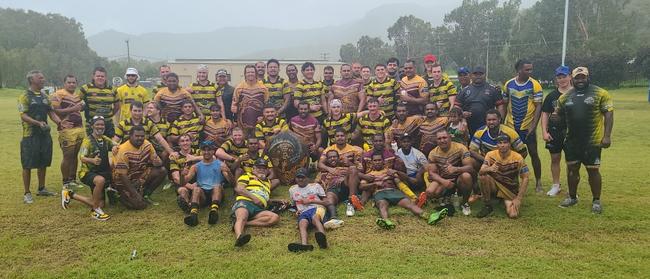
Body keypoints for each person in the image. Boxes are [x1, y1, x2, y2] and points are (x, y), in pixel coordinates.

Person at [556, 67, 613, 214]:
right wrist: (555, 119)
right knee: (572, 170)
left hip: (592, 141)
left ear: (588, 77)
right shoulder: (564, 97)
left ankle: (596, 201)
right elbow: (558, 116)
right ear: (572, 79)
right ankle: (572, 197)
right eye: (577, 78)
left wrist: (606, 136)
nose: (580, 80)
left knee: (593, 170)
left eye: (583, 77)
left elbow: (608, 115)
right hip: (571, 141)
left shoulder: (600, 93)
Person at [362, 152, 447, 229]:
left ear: (383, 161)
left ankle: (429, 217)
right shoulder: (369, 175)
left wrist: (396, 172)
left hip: (393, 191)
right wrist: (373, 184)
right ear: (372, 162)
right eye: (375, 160)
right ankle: (386, 221)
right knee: (382, 205)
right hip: (379, 192)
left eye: (379, 160)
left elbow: (403, 178)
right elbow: (361, 186)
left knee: (409, 204)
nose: (377, 162)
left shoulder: (389, 171)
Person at [19, 70, 62, 203]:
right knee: (27, 164)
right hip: (30, 135)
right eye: (40, 78)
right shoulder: (24, 96)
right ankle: (27, 193)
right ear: (32, 80)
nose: (43, 80)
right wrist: (37, 123)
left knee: (43, 161)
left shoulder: (44, 96)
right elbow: (23, 115)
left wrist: (60, 122)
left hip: (44, 134)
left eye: (43, 77)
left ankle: (41, 188)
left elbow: (51, 112)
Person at [62, 116, 116, 220]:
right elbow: (82, 157)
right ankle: (95, 211)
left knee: (101, 204)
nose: (100, 127)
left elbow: (116, 145)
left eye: (102, 125)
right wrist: (92, 161)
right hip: (88, 173)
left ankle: (70, 194)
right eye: (97, 124)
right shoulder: (88, 141)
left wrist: (114, 147)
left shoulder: (105, 139)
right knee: (100, 181)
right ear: (92, 126)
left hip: (101, 172)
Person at [503, 59, 544, 193]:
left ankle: (538, 182)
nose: (530, 72)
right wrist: (501, 125)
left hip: (527, 127)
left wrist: (533, 127)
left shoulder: (535, 85)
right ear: (519, 70)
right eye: (527, 69)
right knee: (512, 155)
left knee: (533, 153)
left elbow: (539, 107)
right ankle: (512, 181)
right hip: (511, 126)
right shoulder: (508, 84)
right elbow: (504, 105)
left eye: (531, 69)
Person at [112, 125, 166, 209]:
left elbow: (158, 163)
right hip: (123, 181)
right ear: (130, 136)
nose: (140, 138)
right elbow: (122, 176)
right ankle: (118, 194)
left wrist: (158, 162)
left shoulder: (147, 144)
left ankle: (145, 195)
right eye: (137, 136)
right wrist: (135, 194)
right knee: (139, 206)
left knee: (162, 170)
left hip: (139, 175)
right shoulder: (123, 150)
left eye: (142, 136)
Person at [422, 130, 474, 216]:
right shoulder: (433, 153)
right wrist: (443, 181)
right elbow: (431, 174)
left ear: (450, 137)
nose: (442, 140)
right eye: (439, 138)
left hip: (459, 177)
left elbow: (470, 168)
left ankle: (465, 203)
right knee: (430, 191)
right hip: (444, 178)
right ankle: (446, 196)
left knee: (466, 176)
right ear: (436, 140)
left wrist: (455, 169)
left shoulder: (460, 148)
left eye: (444, 137)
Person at [477, 134, 530, 218]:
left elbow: (525, 178)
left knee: (513, 215)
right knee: (483, 176)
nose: (502, 145)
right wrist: (489, 169)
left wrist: (519, 199)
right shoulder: (490, 155)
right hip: (495, 185)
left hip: (509, 189)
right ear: (496, 144)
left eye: (505, 143)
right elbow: (481, 172)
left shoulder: (518, 157)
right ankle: (487, 205)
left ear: (509, 144)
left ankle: (502, 199)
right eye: (500, 143)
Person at [231, 158, 281, 247]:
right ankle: (239, 237)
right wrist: (253, 198)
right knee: (242, 216)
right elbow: (239, 189)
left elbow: (264, 197)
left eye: (264, 168)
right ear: (253, 169)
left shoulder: (267, 183)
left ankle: (245, 223)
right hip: (245, 202)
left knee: (274, 218)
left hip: (259, 209)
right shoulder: (246, 176)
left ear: (267, 171)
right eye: (259, 168)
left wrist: (279, 201)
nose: (261, 170)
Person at [180, 141, 230, 226]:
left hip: (216, 193)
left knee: (217, 186)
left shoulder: (220, 164)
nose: (206, 152)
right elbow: (183, 182)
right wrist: (182, 175)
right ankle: (193, 215)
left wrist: (229, 172)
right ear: (201, 151)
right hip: (203, 194)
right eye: (204, 150)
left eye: (209, 150)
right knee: (196, 189)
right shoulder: (196, 166)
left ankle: (214, 212)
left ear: (213, 151)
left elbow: (232, 183)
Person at [541, 66, 572, 196]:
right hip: (554, 132)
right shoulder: (551, 96)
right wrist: (544, 132)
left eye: (564, 76)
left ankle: (572, 188)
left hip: (572, 132)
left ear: (570, 76)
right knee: (555, 158)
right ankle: (556, 185)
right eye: (559, 77)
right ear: (556, 79)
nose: (562, 80)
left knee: (572, 161)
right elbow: (545, 114)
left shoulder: (576, 93)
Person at [50, 75, 85, 188]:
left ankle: (72, 179)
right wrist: (72, 109)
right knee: (67, 155)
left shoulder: (76, 95)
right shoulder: (58, 94)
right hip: (67, 130)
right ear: (64, 83)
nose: (71, 84)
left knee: (75, 155)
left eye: (73, 82)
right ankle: (65, 182)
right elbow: (54, 111)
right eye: (69, 82)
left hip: (79, 128)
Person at [454, 66, 506, 135]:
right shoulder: (464, 90)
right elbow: (456, 107)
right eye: (475, 74)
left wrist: (500, 121)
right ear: (471, 76)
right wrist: (461, 115)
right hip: (468, 126)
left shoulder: (493, 89)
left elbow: (500, 106)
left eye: (480, 74)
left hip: (488, 126)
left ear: (485, 75)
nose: (478, 76)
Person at [288, 168, 329, 252]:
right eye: (298, 177)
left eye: (303, 177)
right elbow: (293, 205)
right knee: (302, 223)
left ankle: (323, 240)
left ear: (308, 178)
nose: (300, 179)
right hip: (303, 212)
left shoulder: (315, 186)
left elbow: (326, 202)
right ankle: (304, 245)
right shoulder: (292, 189)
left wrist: (311, 201)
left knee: (315, 218)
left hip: (317, 208)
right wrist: (296, 211)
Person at [318, 149, 360, 220]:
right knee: (329, 196)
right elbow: (316, 183)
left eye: (334, 157)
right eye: (330, 157)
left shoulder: (345, 168)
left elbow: (358, 174)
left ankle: (351, 201)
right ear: (327, 160)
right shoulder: (323, 172)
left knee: (353, 168)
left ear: (338, 158)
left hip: (345, 186)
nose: (332, 159)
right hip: (332, 189)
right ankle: (333, 216)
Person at [79, 66, 117, 137]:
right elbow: (76, 102)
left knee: (109, 146)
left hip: (108, 124)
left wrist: (109, 114)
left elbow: (117, 105)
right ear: (93, 76)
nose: (100, 78)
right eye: (98, 76)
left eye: (102, 76)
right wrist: (82, 107)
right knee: (93, 146)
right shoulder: (85, 88)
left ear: (105, 77)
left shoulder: (112, 89)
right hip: (91, 123)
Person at [232, 65, 269, 134]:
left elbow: (267, 106)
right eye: (248, 72)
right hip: (242, 124)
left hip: (259, 123)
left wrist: (263, 117)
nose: (250, 74)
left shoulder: (263, 88)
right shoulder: (239, 88)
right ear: (245, 74)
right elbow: (234, 106)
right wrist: (235, 121)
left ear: (256, 73)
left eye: (252, 72)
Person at [170, 134, 201, 204]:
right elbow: (176, 178)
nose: (185, 143)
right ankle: (187, 206)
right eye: (182, 141)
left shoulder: (198, 152)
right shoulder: (175, 156)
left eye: (187, 140)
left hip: (198, 182)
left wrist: (194, 158)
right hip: (183, 183)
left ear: (191, 142)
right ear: (179, 143)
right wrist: (190, 186)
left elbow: (213, 158)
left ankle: (193, 203)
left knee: (198, 189)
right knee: (183, 191)